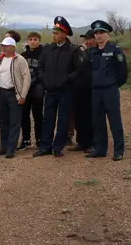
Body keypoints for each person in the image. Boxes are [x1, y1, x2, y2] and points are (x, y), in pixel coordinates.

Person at [34, 16, 85, 158]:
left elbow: (79, 69)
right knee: (48, 118)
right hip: (50, 90)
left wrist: (67, 79)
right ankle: (45, 147)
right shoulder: (47, 49)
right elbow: (40, 66)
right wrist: (44, 79)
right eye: (53, 32)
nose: (54, 35)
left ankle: (58, 147)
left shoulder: (73, 50)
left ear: (64, 34)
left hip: (66, 91)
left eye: (56, 33)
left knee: (63, 119)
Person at [86, 20, 128, 161]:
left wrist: (114, 85)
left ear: (107, 34)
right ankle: (100, 149)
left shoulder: (115, 51)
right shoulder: (92, 52)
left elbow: (122, 73)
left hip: (110, 90)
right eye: (96, 33)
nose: (98, 35)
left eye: (101, 32)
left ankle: (119, 150)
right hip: (96, 91)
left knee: (114, 121)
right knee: (98, 122)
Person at [0, 37, 31, 158]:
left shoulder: (20, 59)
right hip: (2, 93)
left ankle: (11, 149)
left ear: (13, 47)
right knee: (3, 121)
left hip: (14, 93)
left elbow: (27, 77)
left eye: (7, 46)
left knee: (14, 121)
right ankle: (4, 147)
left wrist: (23, 95)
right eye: (3, 46)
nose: (4, 48)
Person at [20, 32, 44, 149]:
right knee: (24, 114)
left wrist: (33, 81)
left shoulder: (44, 54)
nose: (33, 42)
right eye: (30, 39)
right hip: (25, 89)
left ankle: (40, 139)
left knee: (37, 114)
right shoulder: (23, 55)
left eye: (35, 39)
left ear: (39, 41)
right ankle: (26, 140)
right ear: (28, 41)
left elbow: (43, 71)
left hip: (37, 87)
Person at [72, 30, 95, 152]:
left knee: (90, 117)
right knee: (78, 116)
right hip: (78, 88)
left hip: (91, 89)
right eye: (85, 39)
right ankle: (81, 142)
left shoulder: (97, 53)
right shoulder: (81, 52)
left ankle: (91, 143)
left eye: (89, 39)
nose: (87, 41)